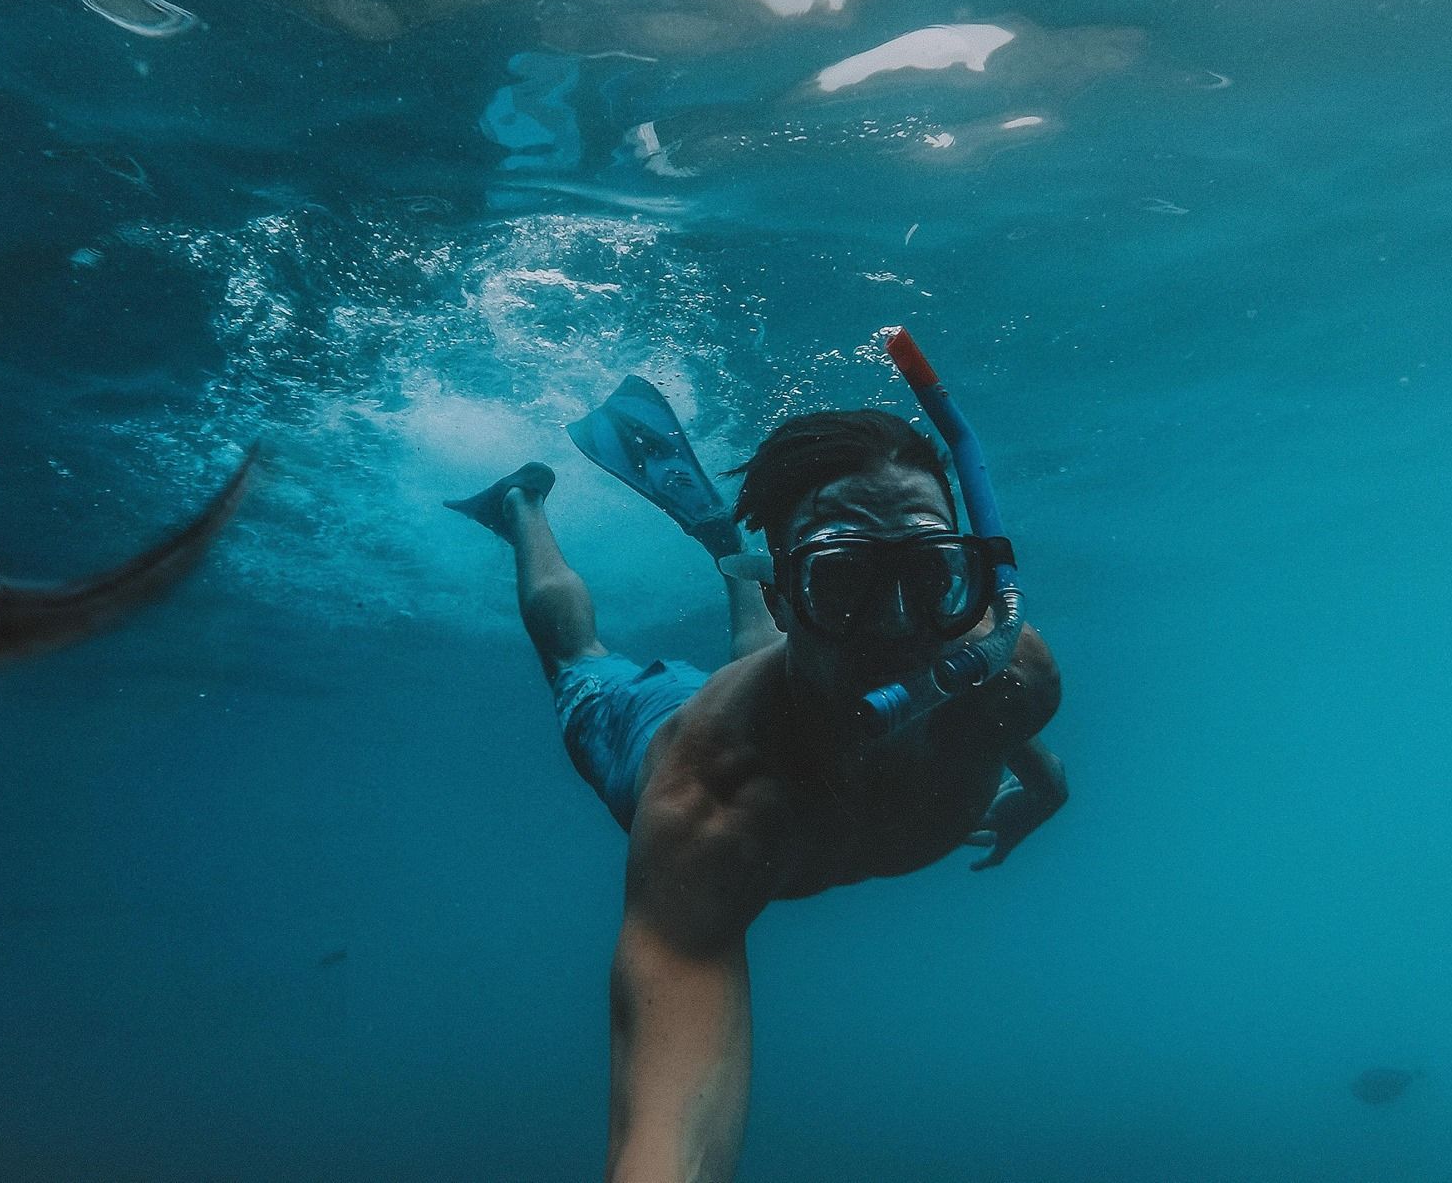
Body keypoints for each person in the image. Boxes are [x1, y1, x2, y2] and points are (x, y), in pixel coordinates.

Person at [446, 368, 1066, 1182]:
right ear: (781, 595)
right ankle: (521, 503)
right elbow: (665, 1138)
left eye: (928, 569)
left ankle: (732, 541)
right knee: (579, 660)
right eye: (841, 578)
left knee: (798, 663)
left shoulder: (1002, 664)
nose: (896, 622)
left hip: (788, 678)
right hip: (659, 721)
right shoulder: (710, 801)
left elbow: (1005, 721)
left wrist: (1045, 790)